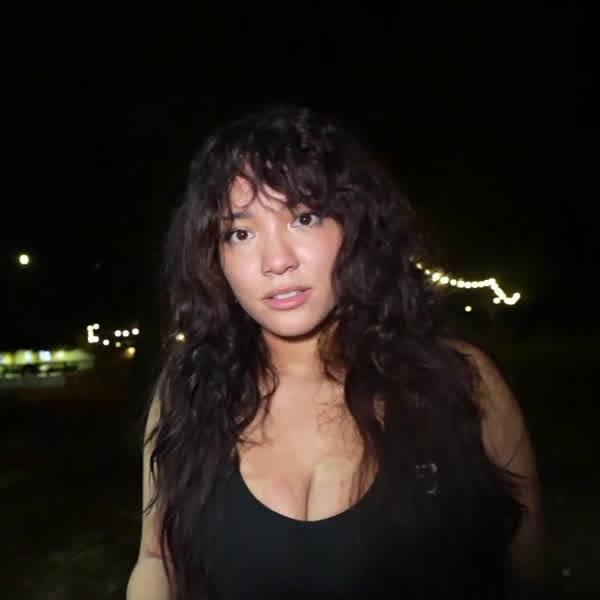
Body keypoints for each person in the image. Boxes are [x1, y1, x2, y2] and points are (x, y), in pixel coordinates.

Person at [126, 105, 553, 599]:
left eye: (304, 218)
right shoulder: (188, 393)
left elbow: (530, 574)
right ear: (213, 256)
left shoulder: (462, 384)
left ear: (354, 226)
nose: (277, 261)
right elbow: (156, 559)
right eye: (240, 233)